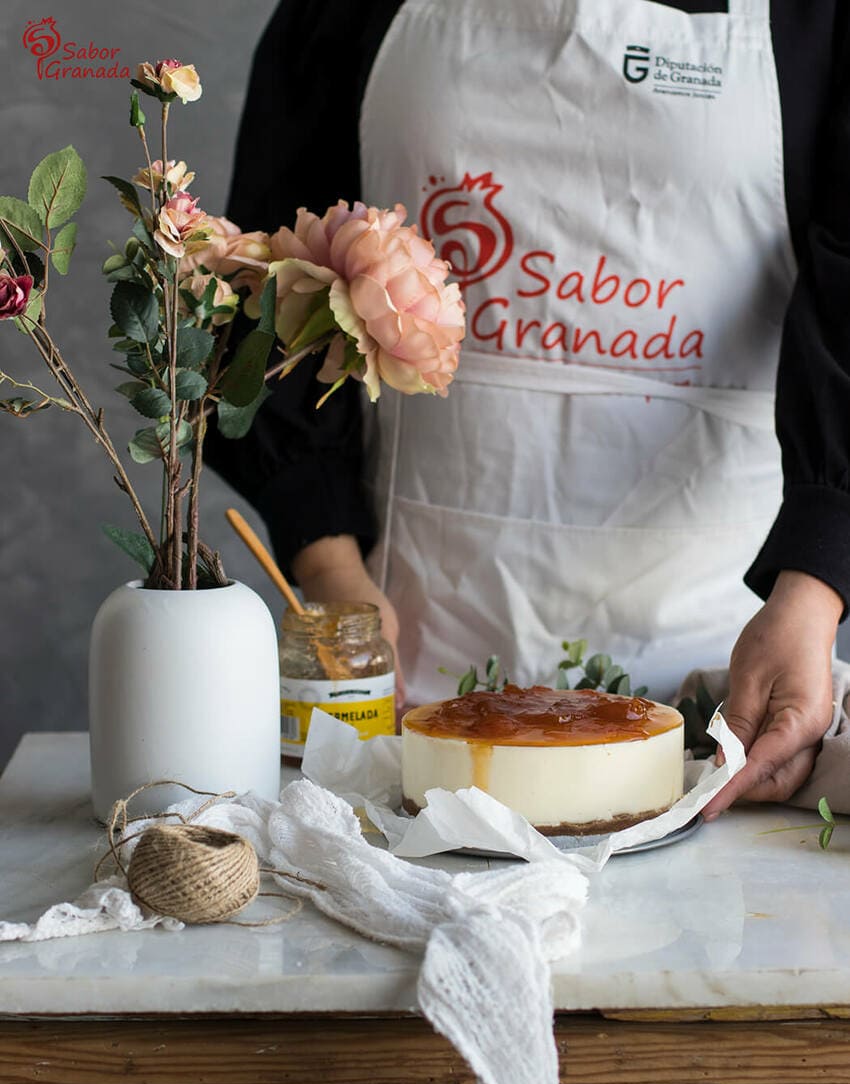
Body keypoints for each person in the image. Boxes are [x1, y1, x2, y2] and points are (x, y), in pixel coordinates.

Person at [206, 0, 850, 819]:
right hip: (409, 702)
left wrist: (814, 595)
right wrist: (332, 574)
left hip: (729, 702)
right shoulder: (337, 18)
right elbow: (268, 281)